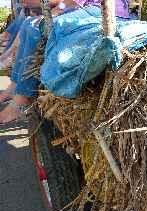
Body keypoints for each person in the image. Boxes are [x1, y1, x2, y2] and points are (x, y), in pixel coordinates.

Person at [0, 0, 131, 124]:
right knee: (30, 24)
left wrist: (54, 12)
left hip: (102, 12)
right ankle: (14, 85)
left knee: (34, 28)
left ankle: (21, 100)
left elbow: (71, 2)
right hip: (88, 10)